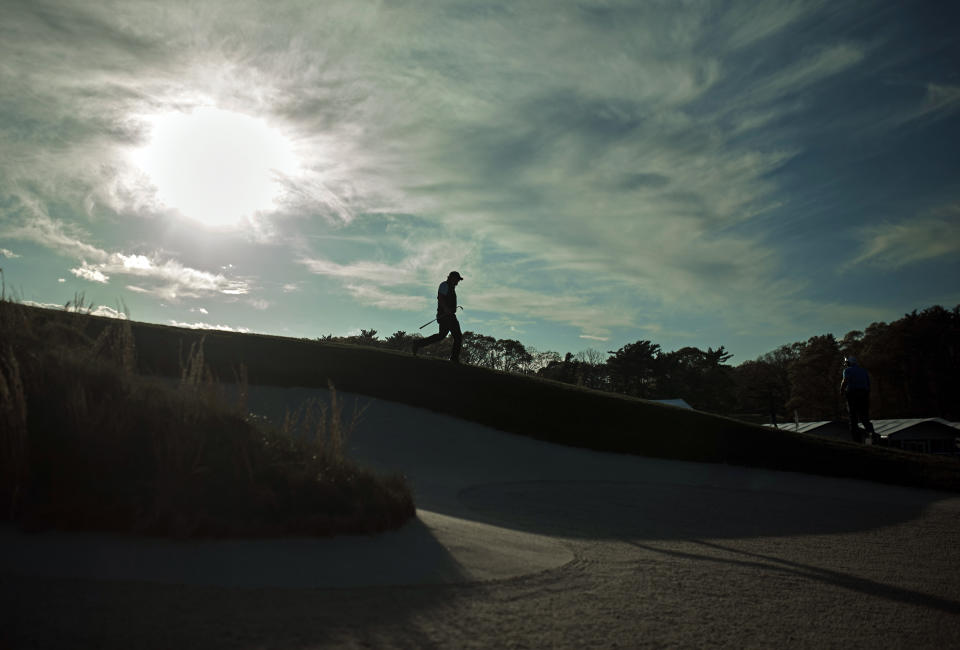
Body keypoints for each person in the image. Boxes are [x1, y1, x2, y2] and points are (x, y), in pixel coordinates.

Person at [412, 271, 464, 363]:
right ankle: (454, 358)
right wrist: (446, 309)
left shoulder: (451, 287)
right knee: (458, 337)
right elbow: (440, 297)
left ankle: (417, 344)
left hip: (447, 315)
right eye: (457, 279)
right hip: (446, 316)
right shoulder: (444, 285)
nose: (458, 282)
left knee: (441, 336)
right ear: (452, 278)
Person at [840, 356, 875, 443]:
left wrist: (841, 391)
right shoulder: (863, 371)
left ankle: (856, 441)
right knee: (865, 418)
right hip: (864, 394)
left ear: (849, 363)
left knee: (853, 418)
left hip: (853, 394)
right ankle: (872, 437)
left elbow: (845, 381)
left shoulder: (847, 370)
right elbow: (868, 384)